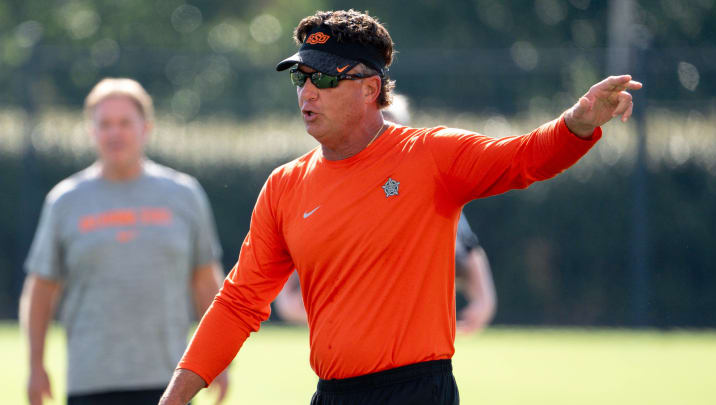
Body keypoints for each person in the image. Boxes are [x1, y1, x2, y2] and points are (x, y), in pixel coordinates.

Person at [160, 9, 641, 405]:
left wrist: (578, 123)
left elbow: (522, 160)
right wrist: (175, 396)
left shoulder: (429, 155)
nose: (307, 91)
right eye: (301, 77)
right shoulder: (284, 185)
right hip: (331, 396)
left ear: (370, 89)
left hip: (417, 393)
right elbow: (239, 301)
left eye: (324, 77)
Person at [19, 78, 229, 405]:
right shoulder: (65, 201)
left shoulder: (184, 195)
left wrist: (218, 359)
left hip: (172, 382)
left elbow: (205, 281)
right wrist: (35, 365)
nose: (114, 133)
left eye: (124, 123)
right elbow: (41, 289)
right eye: (104, 124)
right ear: (91, 131)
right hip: (90, 382)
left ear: (146, 127)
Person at [274, 96, 497, 333]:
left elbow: (468, 249)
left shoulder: (428, 188)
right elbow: (300, 255)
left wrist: (483, 302)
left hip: (417, 332)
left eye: (390, 130)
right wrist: (294, 303)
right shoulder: (332, 190)